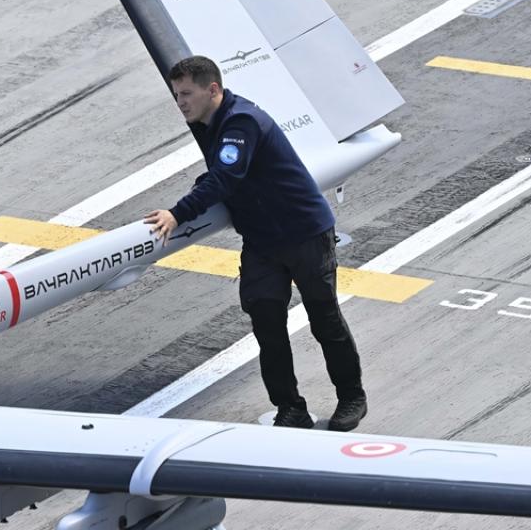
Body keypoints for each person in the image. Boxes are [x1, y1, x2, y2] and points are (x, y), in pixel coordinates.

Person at [144, 56, 367, 431]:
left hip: (304, 233)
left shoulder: (240, 121)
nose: (180, 102)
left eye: (186, 94)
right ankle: (290, 407)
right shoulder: (206, 121)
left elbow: (225, 178)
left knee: (324, 319)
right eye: (175, 95)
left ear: (212, 90)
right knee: (267, 325)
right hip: (263, 240)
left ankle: (352, 397)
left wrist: (176, 214)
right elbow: (221, 172)